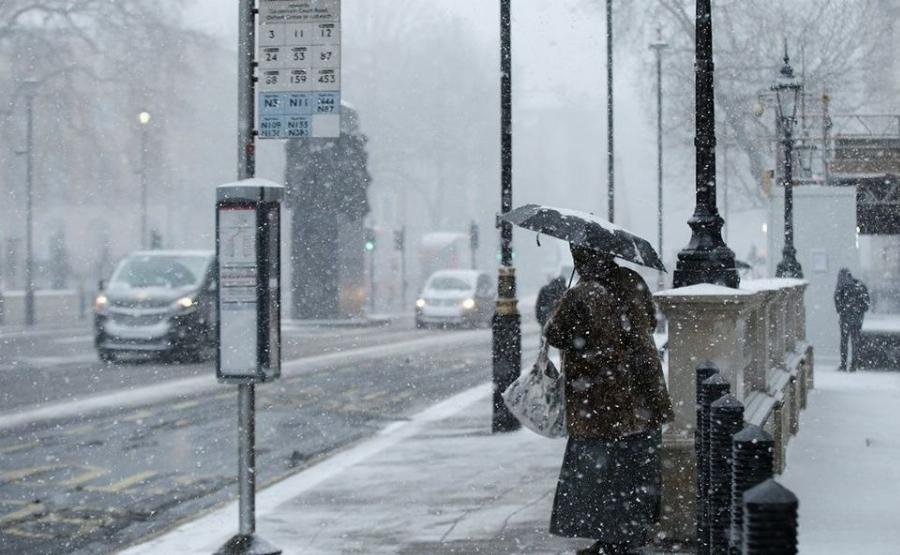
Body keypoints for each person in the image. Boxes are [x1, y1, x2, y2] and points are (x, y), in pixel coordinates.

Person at [544, 244, 674, 555]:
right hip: (641, 391)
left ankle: (610, 540)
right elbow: (652, 323)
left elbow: (555, 334)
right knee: (634, 468)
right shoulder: (632, 280)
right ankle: (629, 534)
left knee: (601, 476)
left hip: (600, 398)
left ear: (582, 259)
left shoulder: (582, 294)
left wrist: (566, 304)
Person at [834, 268, 870, 372]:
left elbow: (837, 300)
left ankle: (844, 364)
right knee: (855, 341)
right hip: (857, 318)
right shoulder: (860, 285)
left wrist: (842, 310)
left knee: (844, 341)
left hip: (845, 318)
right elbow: (867, 303)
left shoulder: (841, 286)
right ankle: (854, 365)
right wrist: (859, 310)